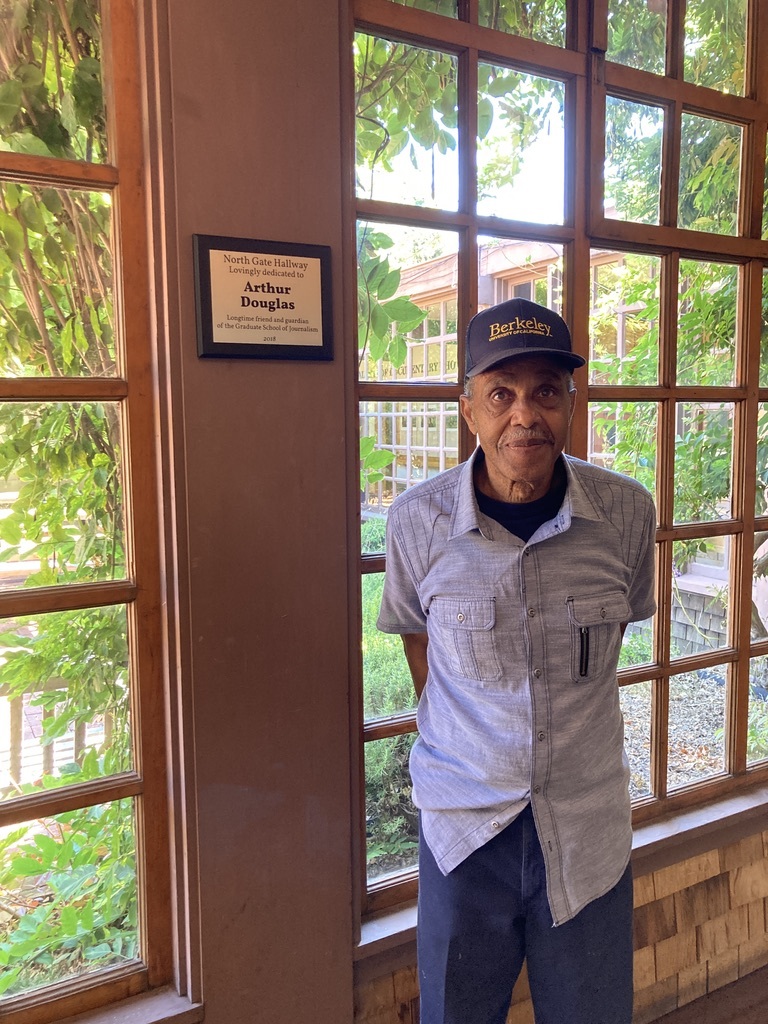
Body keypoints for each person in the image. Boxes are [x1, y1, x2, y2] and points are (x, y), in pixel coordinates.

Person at [376, 297, 656, 1024]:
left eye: (546, 391)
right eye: (501, 393)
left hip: (586, 833)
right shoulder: (416, 522)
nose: (524, 414)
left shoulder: (627, 514)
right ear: (468, 407)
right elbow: (422, 651)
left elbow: (616, 639)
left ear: (569, 404)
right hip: (464, 836)